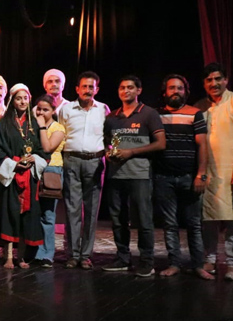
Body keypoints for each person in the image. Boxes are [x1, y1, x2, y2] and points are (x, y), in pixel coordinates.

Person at [101, 76, 165, 277]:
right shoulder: (112, 116)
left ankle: (147, 261)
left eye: (130, 87)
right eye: (122, 87)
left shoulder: (148, 113)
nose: (125, 90)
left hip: (140, 174)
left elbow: (161, 143)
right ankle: (122, 258)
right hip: (116, 175)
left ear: (139, 90)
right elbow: (107, 143)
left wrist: (132, 152)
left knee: (144, 220)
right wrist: (108, 153)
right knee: (118, 220)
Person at [193, 62, 233, 281]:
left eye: (218, 79)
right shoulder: (198, 106)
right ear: (204, 83)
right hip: (208, 171)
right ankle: (210, 259)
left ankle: (232, 264)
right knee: (208, 218)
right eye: (209, 80)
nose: (214, 83)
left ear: (226, 80)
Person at [153, 74, 213, 279]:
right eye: (171, 88)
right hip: (163, 177)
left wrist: (201, 174)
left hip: (189, 177)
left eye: (179, 88)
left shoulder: (195, 114)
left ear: (185, 92)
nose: (175, 91)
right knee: (170, 225)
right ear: (165, 92)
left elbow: (202, 145)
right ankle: (174, 264)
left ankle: (198, 265)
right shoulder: (157, 115)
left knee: (194, 224)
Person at [58, 71, 110, 270]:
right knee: (72, 209)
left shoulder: (103, 109)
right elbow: (60, 134)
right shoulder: (66, 109)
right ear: (77, 89)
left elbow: (109, 136)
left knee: (91, 209)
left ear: (96, 89)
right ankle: (72, 255)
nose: (88, 90)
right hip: (72, 160)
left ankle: (86, 255)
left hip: (95, 162)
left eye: (91, 87)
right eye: (84, 86)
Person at [0, 84, 47, 269]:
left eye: (25, 98)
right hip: (11, 176)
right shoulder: (4, 123)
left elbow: (43, 150)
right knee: (9, 214)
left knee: (27, 216)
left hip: (30, 177)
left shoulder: (35, 124)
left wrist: (35, 158)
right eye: (18, 98)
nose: (22, 101)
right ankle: (8, 256)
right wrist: (14, 163)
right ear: (12, 101)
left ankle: (22, 257)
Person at [33, 95, 65, 268]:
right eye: (39, 108)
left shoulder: (58, 128)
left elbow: (47, 147)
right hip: (33, 171)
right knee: (33, 214)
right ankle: (33, 252)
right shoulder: (34, 126)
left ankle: (46, 254)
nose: (41, 112)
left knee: (47, 215)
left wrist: (42, 127)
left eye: (45, 109)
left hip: (51, 171)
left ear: (53, 111)